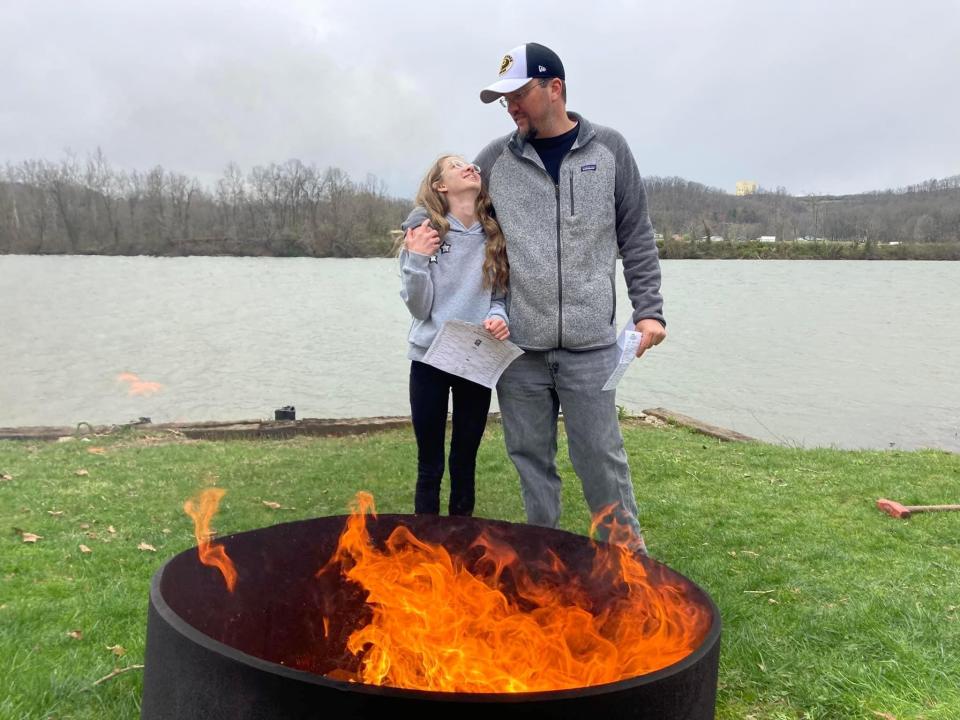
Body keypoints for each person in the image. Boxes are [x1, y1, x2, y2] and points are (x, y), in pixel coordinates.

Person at [474, 42, 667, 552]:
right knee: (531, 464)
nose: (511, 107)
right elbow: (442, 202)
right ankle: (546, 566)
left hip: (591, 348)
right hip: (518, 350)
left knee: (601, 461)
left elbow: (637, 236)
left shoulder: (610, 151)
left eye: (518, 95)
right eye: (504, 100)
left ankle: (629, 570)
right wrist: (416, 234)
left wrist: (648, 310)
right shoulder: (495, 159)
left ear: (554, 88)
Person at [398, 155, 510, 516]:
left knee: (465, 464)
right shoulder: (423, 233)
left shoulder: (494, 233)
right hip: (429, 358)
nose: (470, 167)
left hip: (475, 358)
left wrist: (497, 316)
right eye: (456, 165)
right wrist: (416, 260)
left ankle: (458, 551)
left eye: (472, 165)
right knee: (429, 466)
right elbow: (419, 309)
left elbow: (498, 297)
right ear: (440, 186)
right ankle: (423, 550)